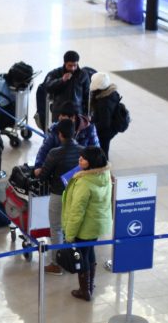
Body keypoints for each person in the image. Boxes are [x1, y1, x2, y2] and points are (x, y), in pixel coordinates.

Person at [61, 146, 112, 301]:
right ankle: (90, 285)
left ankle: (85, 291)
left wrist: (69, 235)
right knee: (89, 252)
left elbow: (77, 213)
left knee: (81, 257)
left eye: (83, 159)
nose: (79, 160)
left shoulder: (84, 183)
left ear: (90, 163)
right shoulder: (104, 174)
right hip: (96, 224)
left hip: (84, 228)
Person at [39, 120, 81, 271]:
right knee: (72, 229)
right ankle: (72, 260)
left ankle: (56, 264)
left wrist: (39, 172)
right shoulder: (83, 152)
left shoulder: (55, 153)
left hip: (58, 194)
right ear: (75, 132)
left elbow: (43, 176)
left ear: (60, 135)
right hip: (77, 195)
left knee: (56, 228)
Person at [34, 103, 99, 173]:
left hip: (82, 170)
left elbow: (96, 152)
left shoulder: (89, 129)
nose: (59, 118)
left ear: (73, 118)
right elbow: (44, 149)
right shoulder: (56, 128)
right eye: (60, 115)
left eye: (63, 115)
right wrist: (38, 166)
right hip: (60, 168)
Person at [43, 50, 91, 119]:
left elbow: (87, 95)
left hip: (77, 113)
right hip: (59, 113)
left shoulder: (83, 75)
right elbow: (48, 87)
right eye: (70, 66)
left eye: (75, 65)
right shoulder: (56, 73)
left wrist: (87, 114)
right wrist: (61, 80)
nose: (72, 68)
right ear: (65, 63)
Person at [89, 72, 125, 158]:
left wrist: (91, 126)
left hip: (105, 131)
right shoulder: (111, 93)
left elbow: (104, 123)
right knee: (104, 148)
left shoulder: (104, 103)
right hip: (110, 128)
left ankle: (103, 167)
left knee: (103, 152)